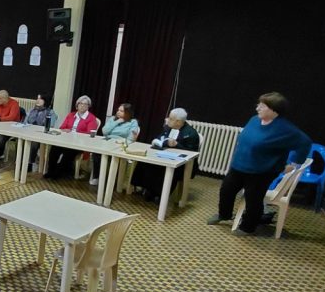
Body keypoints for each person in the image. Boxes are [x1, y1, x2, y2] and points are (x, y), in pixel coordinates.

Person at [209, 92, 311, 234]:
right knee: (226, 190)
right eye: (259, 105)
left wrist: (294, 164)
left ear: (274, 110)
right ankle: (224, 215)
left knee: (253, 200)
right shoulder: (254, 120)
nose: (257, 108)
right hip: (239, 166)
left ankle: (248, 228)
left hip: (261, 172)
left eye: (262, 106)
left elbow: (305, 143)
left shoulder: (285, 129)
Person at [132, 108, 200, 203]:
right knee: (146, 161)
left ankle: (160, 194)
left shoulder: (191, 133)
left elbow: (192, 152)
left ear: (178, 122)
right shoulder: (168, 128)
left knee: (166, 168)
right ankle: (145, 188)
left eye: (171, 118)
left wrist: (177, 145)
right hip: (164, 155)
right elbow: (160, 138)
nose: (168, 120)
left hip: (183, 164)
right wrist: (159, 142)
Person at [44, 95, 100, 179]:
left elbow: (89, 133)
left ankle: (58, 172)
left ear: (88, 106)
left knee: (68, 152)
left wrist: (75, 132)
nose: (82, 106)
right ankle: (50, 171)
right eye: (81, 103)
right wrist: (65, 130)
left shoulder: (91, 118)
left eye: (85, 104)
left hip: (79, 144)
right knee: (54, 148)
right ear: (77, 105)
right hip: (66, 140)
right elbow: (62, 127)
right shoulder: (71, 115)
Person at [91, 102, 140, 186]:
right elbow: (104, 132)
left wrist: (122, 142)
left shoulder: (133, 122)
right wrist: (117, 122)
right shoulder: (113, 119)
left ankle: (112, 180)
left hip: (120, 144)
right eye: (118, 110)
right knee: (96, 153)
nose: (118, 112)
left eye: (121, 111)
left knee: (113, 157)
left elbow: (131, 139)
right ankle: (97, 177)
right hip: (107, 141)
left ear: (128, 113)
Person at [25, 94, 59, 171]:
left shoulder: (50, 112)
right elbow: (25, 122)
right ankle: (21, 160)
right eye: (37, 98)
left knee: (34, 142)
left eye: (40, 99)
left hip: (41, 135)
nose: (38, 100)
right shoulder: (32, 110)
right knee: (20, 139)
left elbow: (50, 126)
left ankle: (30, 163)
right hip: (29, 132)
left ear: (45, 101)